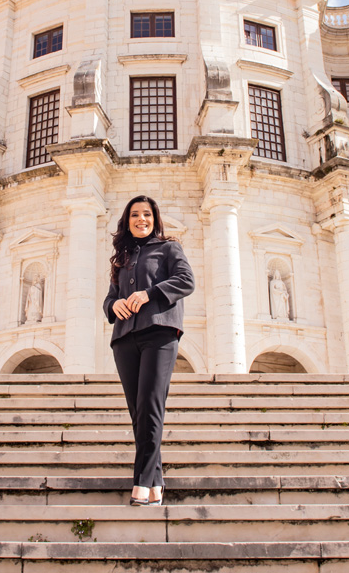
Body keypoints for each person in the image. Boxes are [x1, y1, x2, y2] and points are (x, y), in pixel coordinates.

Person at [103, 195, 195, 506]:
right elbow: (110, 298)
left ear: (154, 218)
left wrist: (149, 293)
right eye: (134, 215)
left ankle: (141, 482)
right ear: (126, 222)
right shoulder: (122, 258)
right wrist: (114, 304)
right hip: (125, 338)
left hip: (160, 333)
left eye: (146, 214)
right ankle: (156, 482)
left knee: (151, 406)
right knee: (138, 413)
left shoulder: (169, 248)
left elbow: (185, 281)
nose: (141, 219)